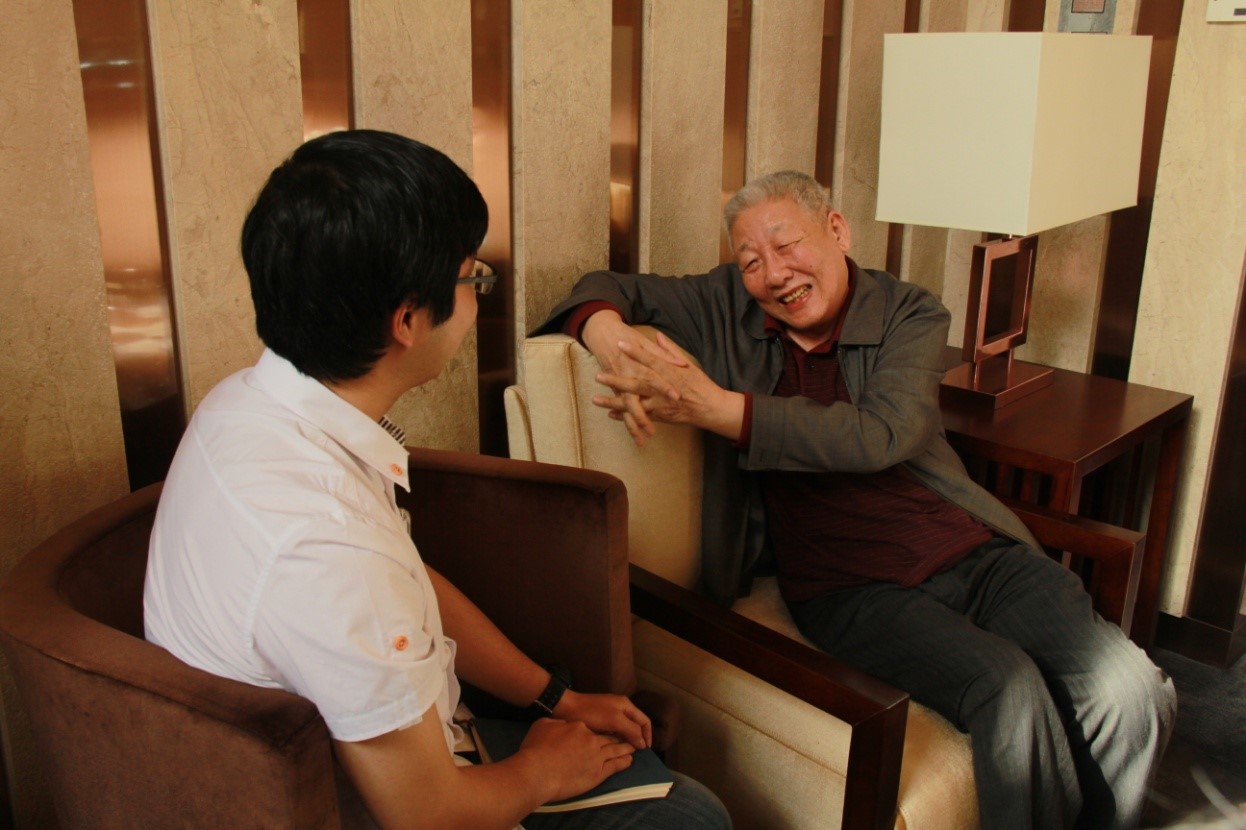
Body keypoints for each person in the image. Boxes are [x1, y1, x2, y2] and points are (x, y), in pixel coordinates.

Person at [536, 170, 1176, 830]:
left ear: (837, 230)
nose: (773, 273)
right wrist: (607, 335)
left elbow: (882, 434)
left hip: (973, 551)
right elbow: (597, 287)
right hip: (853, 589)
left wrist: (719, 409)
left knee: (1129, 691)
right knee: (1007, 688)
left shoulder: (910, 312)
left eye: (787, 244)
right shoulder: (724, 304)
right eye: (751, 260)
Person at [143, 129, 731, 830]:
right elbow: (428, 814)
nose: (480, 293)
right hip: (369, 802)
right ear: (408, 320)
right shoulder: (329, 547)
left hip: (388, 750)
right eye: (472, 277)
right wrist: (543, 769)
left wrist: (557, 699)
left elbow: (408, 585)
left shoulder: (247, 404)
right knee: (694, 817)